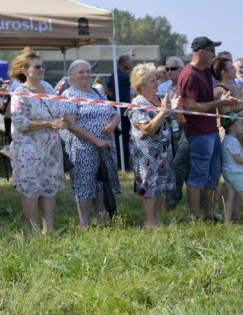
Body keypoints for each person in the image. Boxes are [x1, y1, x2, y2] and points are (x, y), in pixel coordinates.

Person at [178, 36, 240, 221]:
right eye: (211, 51)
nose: (213, 54)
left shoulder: (205, 70)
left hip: (210, 129)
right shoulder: (189, 74)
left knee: (213, 174)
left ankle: (209, 214)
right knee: (198, 174)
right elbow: (191, 106)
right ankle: (196, 216)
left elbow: (205, 101)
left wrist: (220, 102)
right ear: (201, 52)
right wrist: (220, 102)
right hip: (198, 132)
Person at [8, 47, 66, 234]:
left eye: (43, 66)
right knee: (31, 188)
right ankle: (34, 232)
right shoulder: (20, 93)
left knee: (49, 187)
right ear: (25, 70)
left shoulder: (48, 88)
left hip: (51, 147)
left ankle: (49, 229)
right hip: (29, 149)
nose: (42, 69)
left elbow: (57, 112)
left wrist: (59, 122)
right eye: (37, 67)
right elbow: (20, 123)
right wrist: (49, 123)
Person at [59, 59, 121, 226]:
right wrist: (96, 140)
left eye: (88, 71)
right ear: (72, 75)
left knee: (101, 185)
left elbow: (115, 114)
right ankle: (84, 225)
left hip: (105, 148)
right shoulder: (69, 95)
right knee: (84, 186)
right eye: (81, 71)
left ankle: (101, 222)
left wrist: (112, 124)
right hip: (83, 149)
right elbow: (71, 124)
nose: (86, 74)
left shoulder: (98, 93)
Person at [126, 63, 174, 228]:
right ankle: (149, 221)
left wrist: (171, 109)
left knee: (160, 185)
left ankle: (157, 219)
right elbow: (147, 129)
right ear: (141, 85)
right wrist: (162, 112)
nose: (156, 83)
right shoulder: (138, 103)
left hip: (163, 151)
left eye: (156, 79)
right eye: (152, 80)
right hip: (146, 154)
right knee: (149, 186)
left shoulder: (160, 98)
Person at [162, 56, 187, 211]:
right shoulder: (166, 88)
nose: (169, 72)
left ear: (182, 69)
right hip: (171, 132)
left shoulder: (187, 86)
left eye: (173, 68)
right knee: (174, 166)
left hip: (187, 131)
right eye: (167, 69)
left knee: (179, 166)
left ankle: (171, 200)